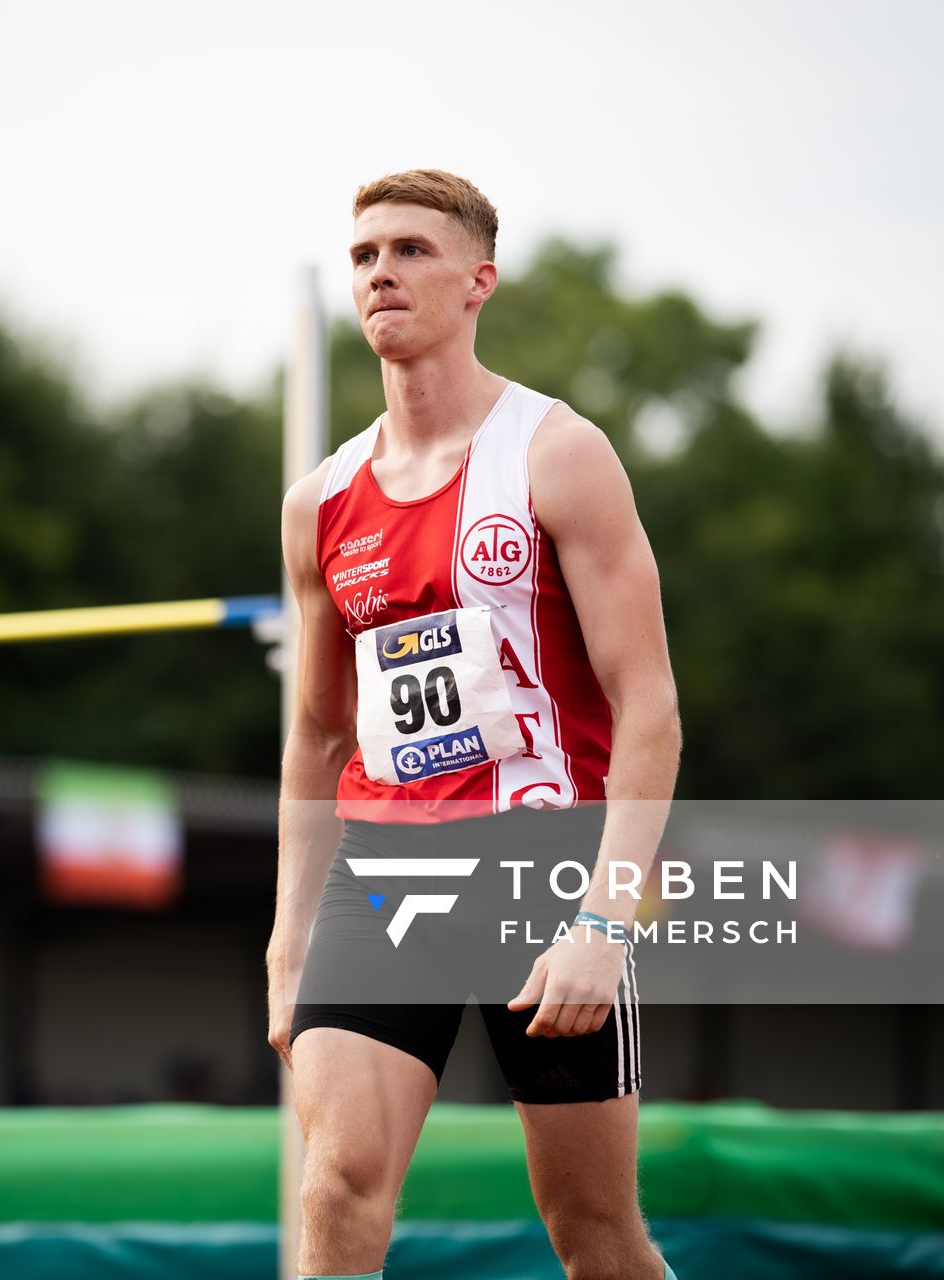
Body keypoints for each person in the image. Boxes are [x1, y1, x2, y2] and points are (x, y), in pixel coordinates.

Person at [269, 171, 684, 1280]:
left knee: (594, 1233)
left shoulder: (558, 453)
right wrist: (287, 937)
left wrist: (606, 918)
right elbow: (315, 738)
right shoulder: (321, 500)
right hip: (384, 864)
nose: (381, 273)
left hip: (544, 863)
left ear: (477, 282)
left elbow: (649, 702)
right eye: (363, 256)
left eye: (409, 250)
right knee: (338, 1185)